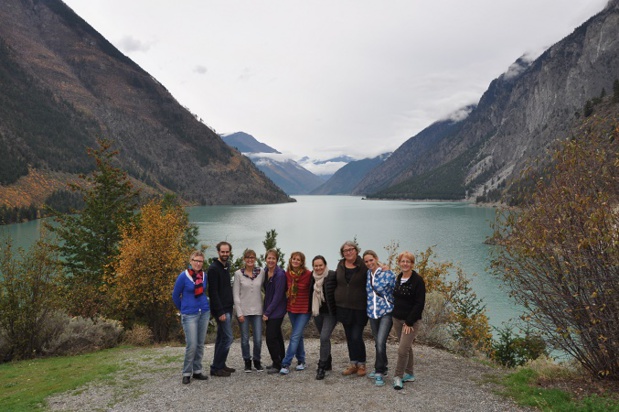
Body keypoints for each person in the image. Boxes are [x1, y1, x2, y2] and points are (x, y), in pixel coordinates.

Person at [172, 250, 211, 384]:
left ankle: (198, 370)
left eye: (200, 261)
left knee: (200, 344)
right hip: (189, 314)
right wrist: (183, 308)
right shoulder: (183, 276)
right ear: (191, 261)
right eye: (196, 260)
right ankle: (187, 372)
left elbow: (204, 292)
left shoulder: (204, 276)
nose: (198, 263)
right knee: (192, 344)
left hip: (204, 312)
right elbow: (175, 296)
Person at [334, 240, 369, 377]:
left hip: (359, 307)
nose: (348, 252)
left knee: (356, 336)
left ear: (356, 250)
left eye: (351, 249)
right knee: (349, 336)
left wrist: (384, 268)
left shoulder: (363, 264)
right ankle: (353, 363)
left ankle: (362, 364)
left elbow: (375, 270)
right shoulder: (341, 264)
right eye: (345, 250)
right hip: (343, 307)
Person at [392, 251, 426, 390]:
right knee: (407, 347)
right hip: (397, 319)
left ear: (412, 264)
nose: (405, 264)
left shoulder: (417, 281)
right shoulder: (399, 278)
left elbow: (419, 303)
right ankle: (410, 374)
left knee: (402, 350)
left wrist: (409, 321)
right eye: (403, 261)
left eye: (408, 261)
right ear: (399, 263)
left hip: (410, 321)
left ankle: (398, 376)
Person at [363, 250, 396, 387]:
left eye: (371, 260)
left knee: (381, 341)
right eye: (366, 261)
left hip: (386, 312)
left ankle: (379, 371)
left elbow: (397, 289)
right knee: (378, 342)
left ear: (376, 258)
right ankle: (384, 367)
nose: (369, 263)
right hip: (372, 313)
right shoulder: (367, 274)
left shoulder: (387, 274)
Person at [279, 251, 312, 375]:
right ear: (290, 260)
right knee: (299, 337)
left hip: (304, 310)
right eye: (294, 259)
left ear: (302, 262)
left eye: (298, 259)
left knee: (295, 336)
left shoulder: (308, 274)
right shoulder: (287, 274)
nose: (296, 261)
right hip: (292, 309)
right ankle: (301, 361)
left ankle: (286, 363)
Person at [233, 249, 265, 372]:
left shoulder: (261, 272)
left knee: (258, 339)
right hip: (244, 312)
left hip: (257, 310)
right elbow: (236, 295)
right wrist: (239, 312)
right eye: (247, 257)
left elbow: (263, 288)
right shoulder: (238, 274)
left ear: (255, 259)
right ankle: (247, 361)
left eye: (252, 257)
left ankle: (257, 360)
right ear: (244, 259)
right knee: (245, 339)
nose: (250, 259)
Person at [207, 241, 236, 377]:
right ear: (218, 252)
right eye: (222, 252)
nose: (225, 254)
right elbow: (213, 292)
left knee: (221, 337)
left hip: (228, 307)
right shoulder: (213, 269)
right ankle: (216, 367)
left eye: (227, 252)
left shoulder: (225, 267)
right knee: (228, 338)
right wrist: (220, 312)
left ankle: (220, 365)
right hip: (222, 310)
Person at [310, 255, 337, 380]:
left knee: (324, 337)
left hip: (331, 313)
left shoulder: (332, 275)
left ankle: (321, 367)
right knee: (324, 339)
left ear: (325, 265)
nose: (318, 268)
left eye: (321, 265)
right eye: (316, 265)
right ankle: (328, 361)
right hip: (318, 313)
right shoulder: (311, 277)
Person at [262, 248, 287, 374]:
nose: (271, 260)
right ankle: (282, 360)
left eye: (273, 258)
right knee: (277, 336)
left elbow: (278, 296)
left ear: (277, 260)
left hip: (277, 310)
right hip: (269, 308)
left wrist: (267, 312)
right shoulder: (266, 271)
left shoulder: (280, 274)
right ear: (265, 259)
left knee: (270, 338)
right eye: (269, 258)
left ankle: (277, 364)